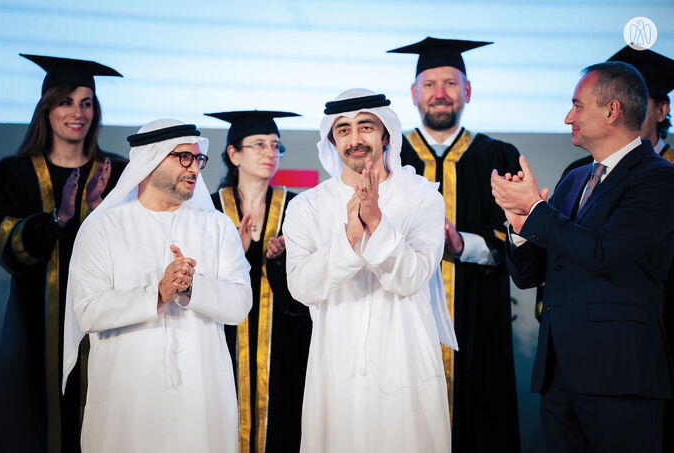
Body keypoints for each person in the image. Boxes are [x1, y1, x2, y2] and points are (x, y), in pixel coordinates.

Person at [492, 62, 674, 452]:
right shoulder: (575, 178)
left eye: (577, 105)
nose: (567, 117)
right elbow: (533, 274)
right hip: (559, 375)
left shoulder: (658, 179)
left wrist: (538, 212)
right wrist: (521, 223)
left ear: (611, 111)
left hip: (619, 378)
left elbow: (604, 252)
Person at [61, 119, 252, 452]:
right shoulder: (102, 228)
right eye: (184, 158)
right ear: (150, 160)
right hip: (129, 403)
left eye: (198, 159)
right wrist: (158, 294)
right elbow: (87, 311)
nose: (194, 167)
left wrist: (192, 288)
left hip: (200, 399)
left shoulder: (217, 226)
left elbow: (239, 304)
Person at [283, 88, 458, 452]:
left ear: (386, 135)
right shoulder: (306, 207)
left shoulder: (423, 197)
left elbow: (411, 277)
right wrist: (349, 238)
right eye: (343, 130)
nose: (355, 139)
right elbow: (302, 287)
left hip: (406, 357)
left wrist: (377, 223)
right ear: (332, 140)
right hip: (336, 360)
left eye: (366, 127)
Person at [387, 36, 521, 452]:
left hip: (477, 316)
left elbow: (515, 239)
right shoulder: (390, 154)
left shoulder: (499, 155)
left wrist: (461, 244)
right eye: (429, 84)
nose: (439, 93)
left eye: (450, 83)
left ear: (467, 91)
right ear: (413, 94)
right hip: (401, 316)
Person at [0, 54, 126, 453]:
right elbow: (6, 250)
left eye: (86, 102)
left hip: (106, 326)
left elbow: (140, 249)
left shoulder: (118, 174)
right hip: (36, 326)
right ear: (46, 109)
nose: (77, 112)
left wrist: (104, 213)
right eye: (66, 101)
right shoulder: (12, 173)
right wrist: (58, 218)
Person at [205, 110, 312, 453]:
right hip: (222, 345)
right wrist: (235, 255)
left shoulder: (297, 209)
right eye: (259, 145)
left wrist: (278, 263)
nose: (270, 152)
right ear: (234, 154)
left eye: (276, 146)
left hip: (284, 347)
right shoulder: (208, 212)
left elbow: (306, 295)